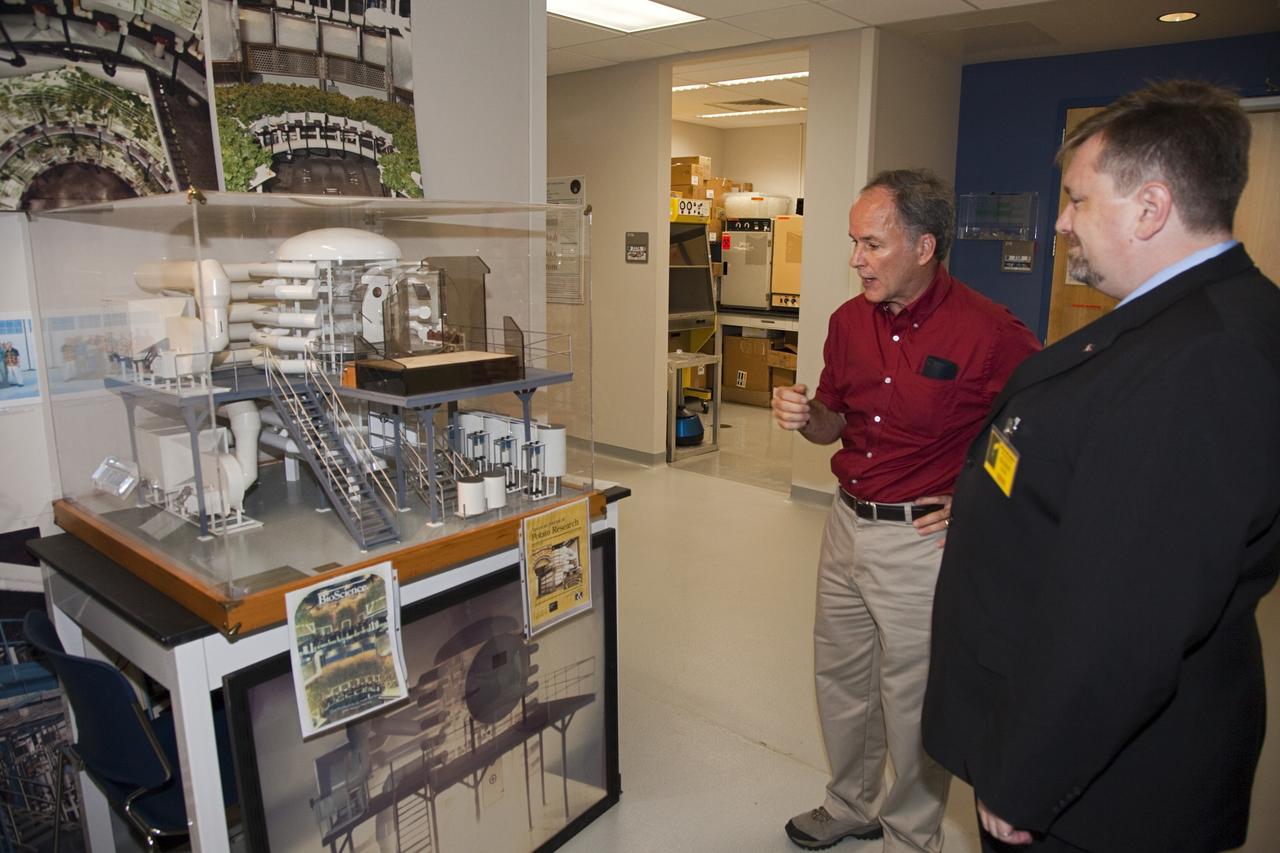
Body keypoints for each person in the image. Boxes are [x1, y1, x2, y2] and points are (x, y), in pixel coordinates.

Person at [922, 80, 1280, 853]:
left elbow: (1128, 615)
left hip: (1097, 787)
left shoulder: (1209, 357)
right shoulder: (1169, 321)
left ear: (1151, 208)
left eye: (1078, 201)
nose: (1060, 223)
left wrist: (1027, 776)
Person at [772, 169, 1040, 852]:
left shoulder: (990, 332)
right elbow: (835, 423)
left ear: (924, 247)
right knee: (840, 676)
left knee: (913, 698)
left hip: (921, 540)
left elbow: (1040, 429)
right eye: (854, 243)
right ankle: (850, 802)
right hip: (845, 524)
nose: (857, 259)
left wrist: (975, 496)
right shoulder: (845, 323)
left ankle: (910, 834)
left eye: (872, 243)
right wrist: (806, 416)